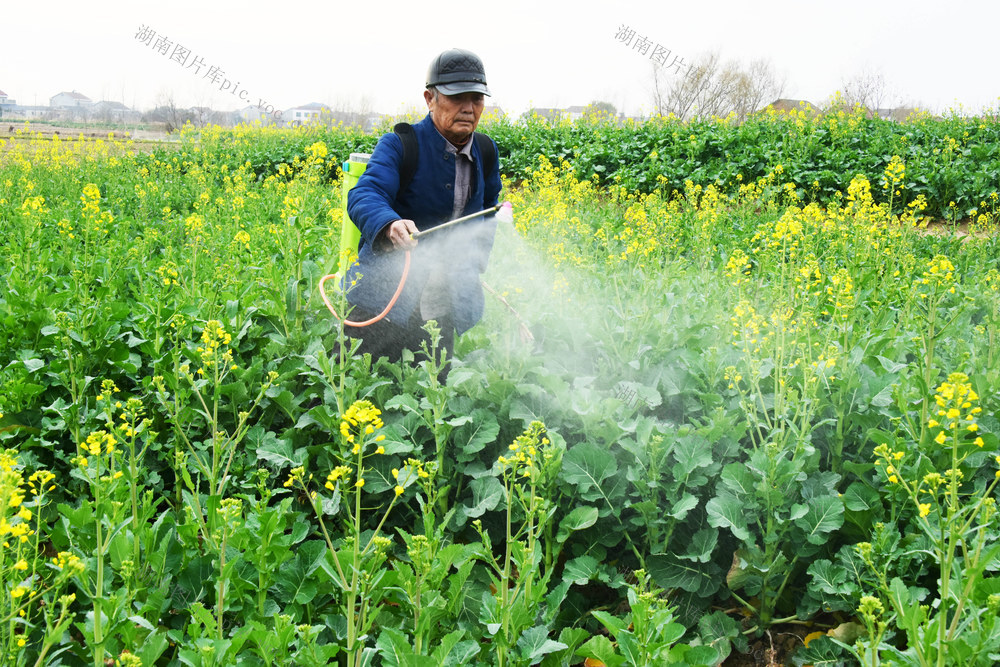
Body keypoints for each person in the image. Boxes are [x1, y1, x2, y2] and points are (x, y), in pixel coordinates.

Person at [343, 48, 502, 376]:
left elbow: (488, 213)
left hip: (442, 309)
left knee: (430, 404)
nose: (469, 108)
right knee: (348, 386)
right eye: (457, 98)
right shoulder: (401, 144)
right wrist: (390, 224)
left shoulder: (486, 151)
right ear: (430, 98)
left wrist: (472, 264)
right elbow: (365, 193)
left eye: (477, 98)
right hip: (384, 300)